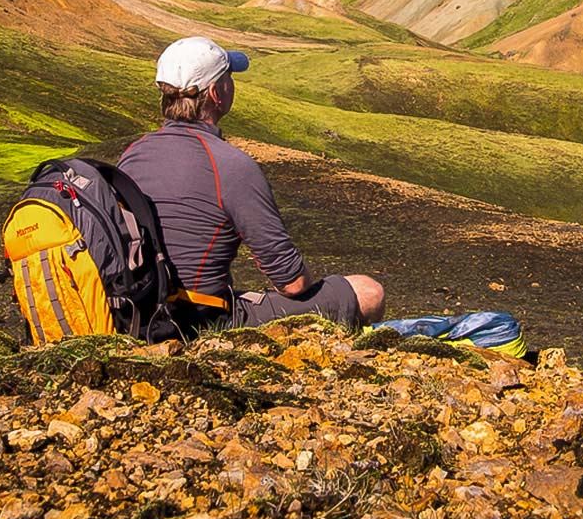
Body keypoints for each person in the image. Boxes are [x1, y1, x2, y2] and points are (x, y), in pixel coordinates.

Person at [119, 36, 384, 333]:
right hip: (198, 321)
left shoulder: (132, 154)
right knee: (367, 292)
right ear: (216, 92)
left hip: (136, 314)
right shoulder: (231, 166)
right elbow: (292, 283)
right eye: (228, 77)